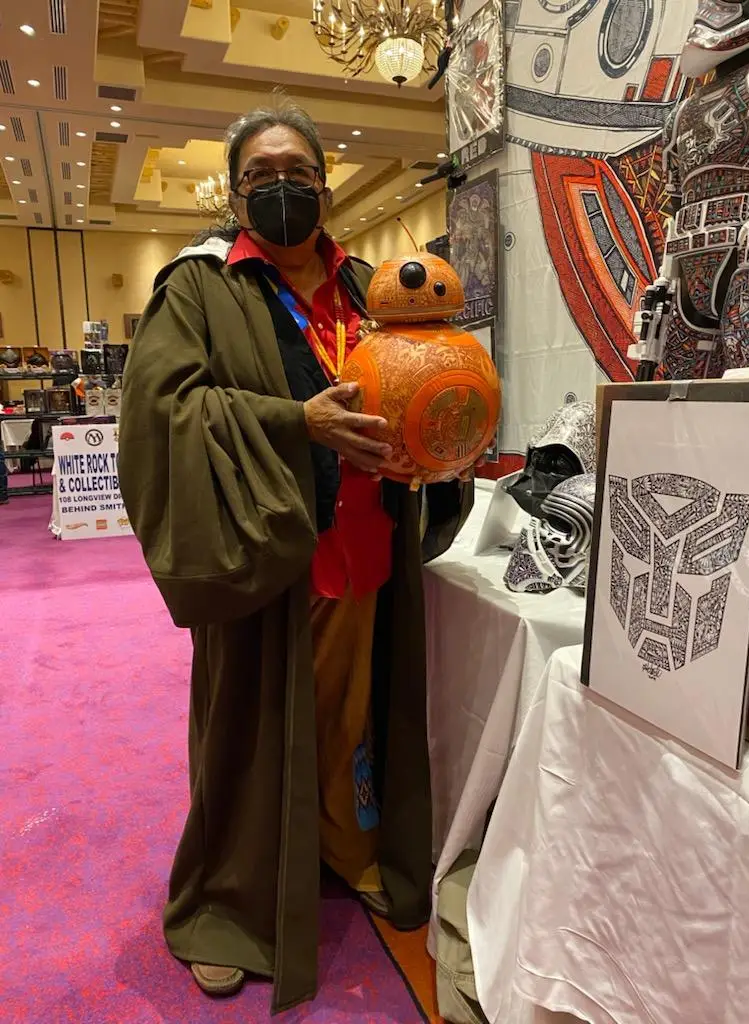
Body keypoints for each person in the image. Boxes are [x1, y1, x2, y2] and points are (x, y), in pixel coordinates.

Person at [118, 98, 472, 1012]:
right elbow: (161, 413)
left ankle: (346, 848)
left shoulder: (367, 285)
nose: (282, 188)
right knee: (249, 729)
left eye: (298, 174)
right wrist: (293, 421)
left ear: (326, 185)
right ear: (236, 193)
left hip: (367, 540)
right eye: (261, 176)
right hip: (265, 548)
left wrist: (428, 445)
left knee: (350, 717)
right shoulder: (201, 287)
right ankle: (229, 905)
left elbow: (424, 375)